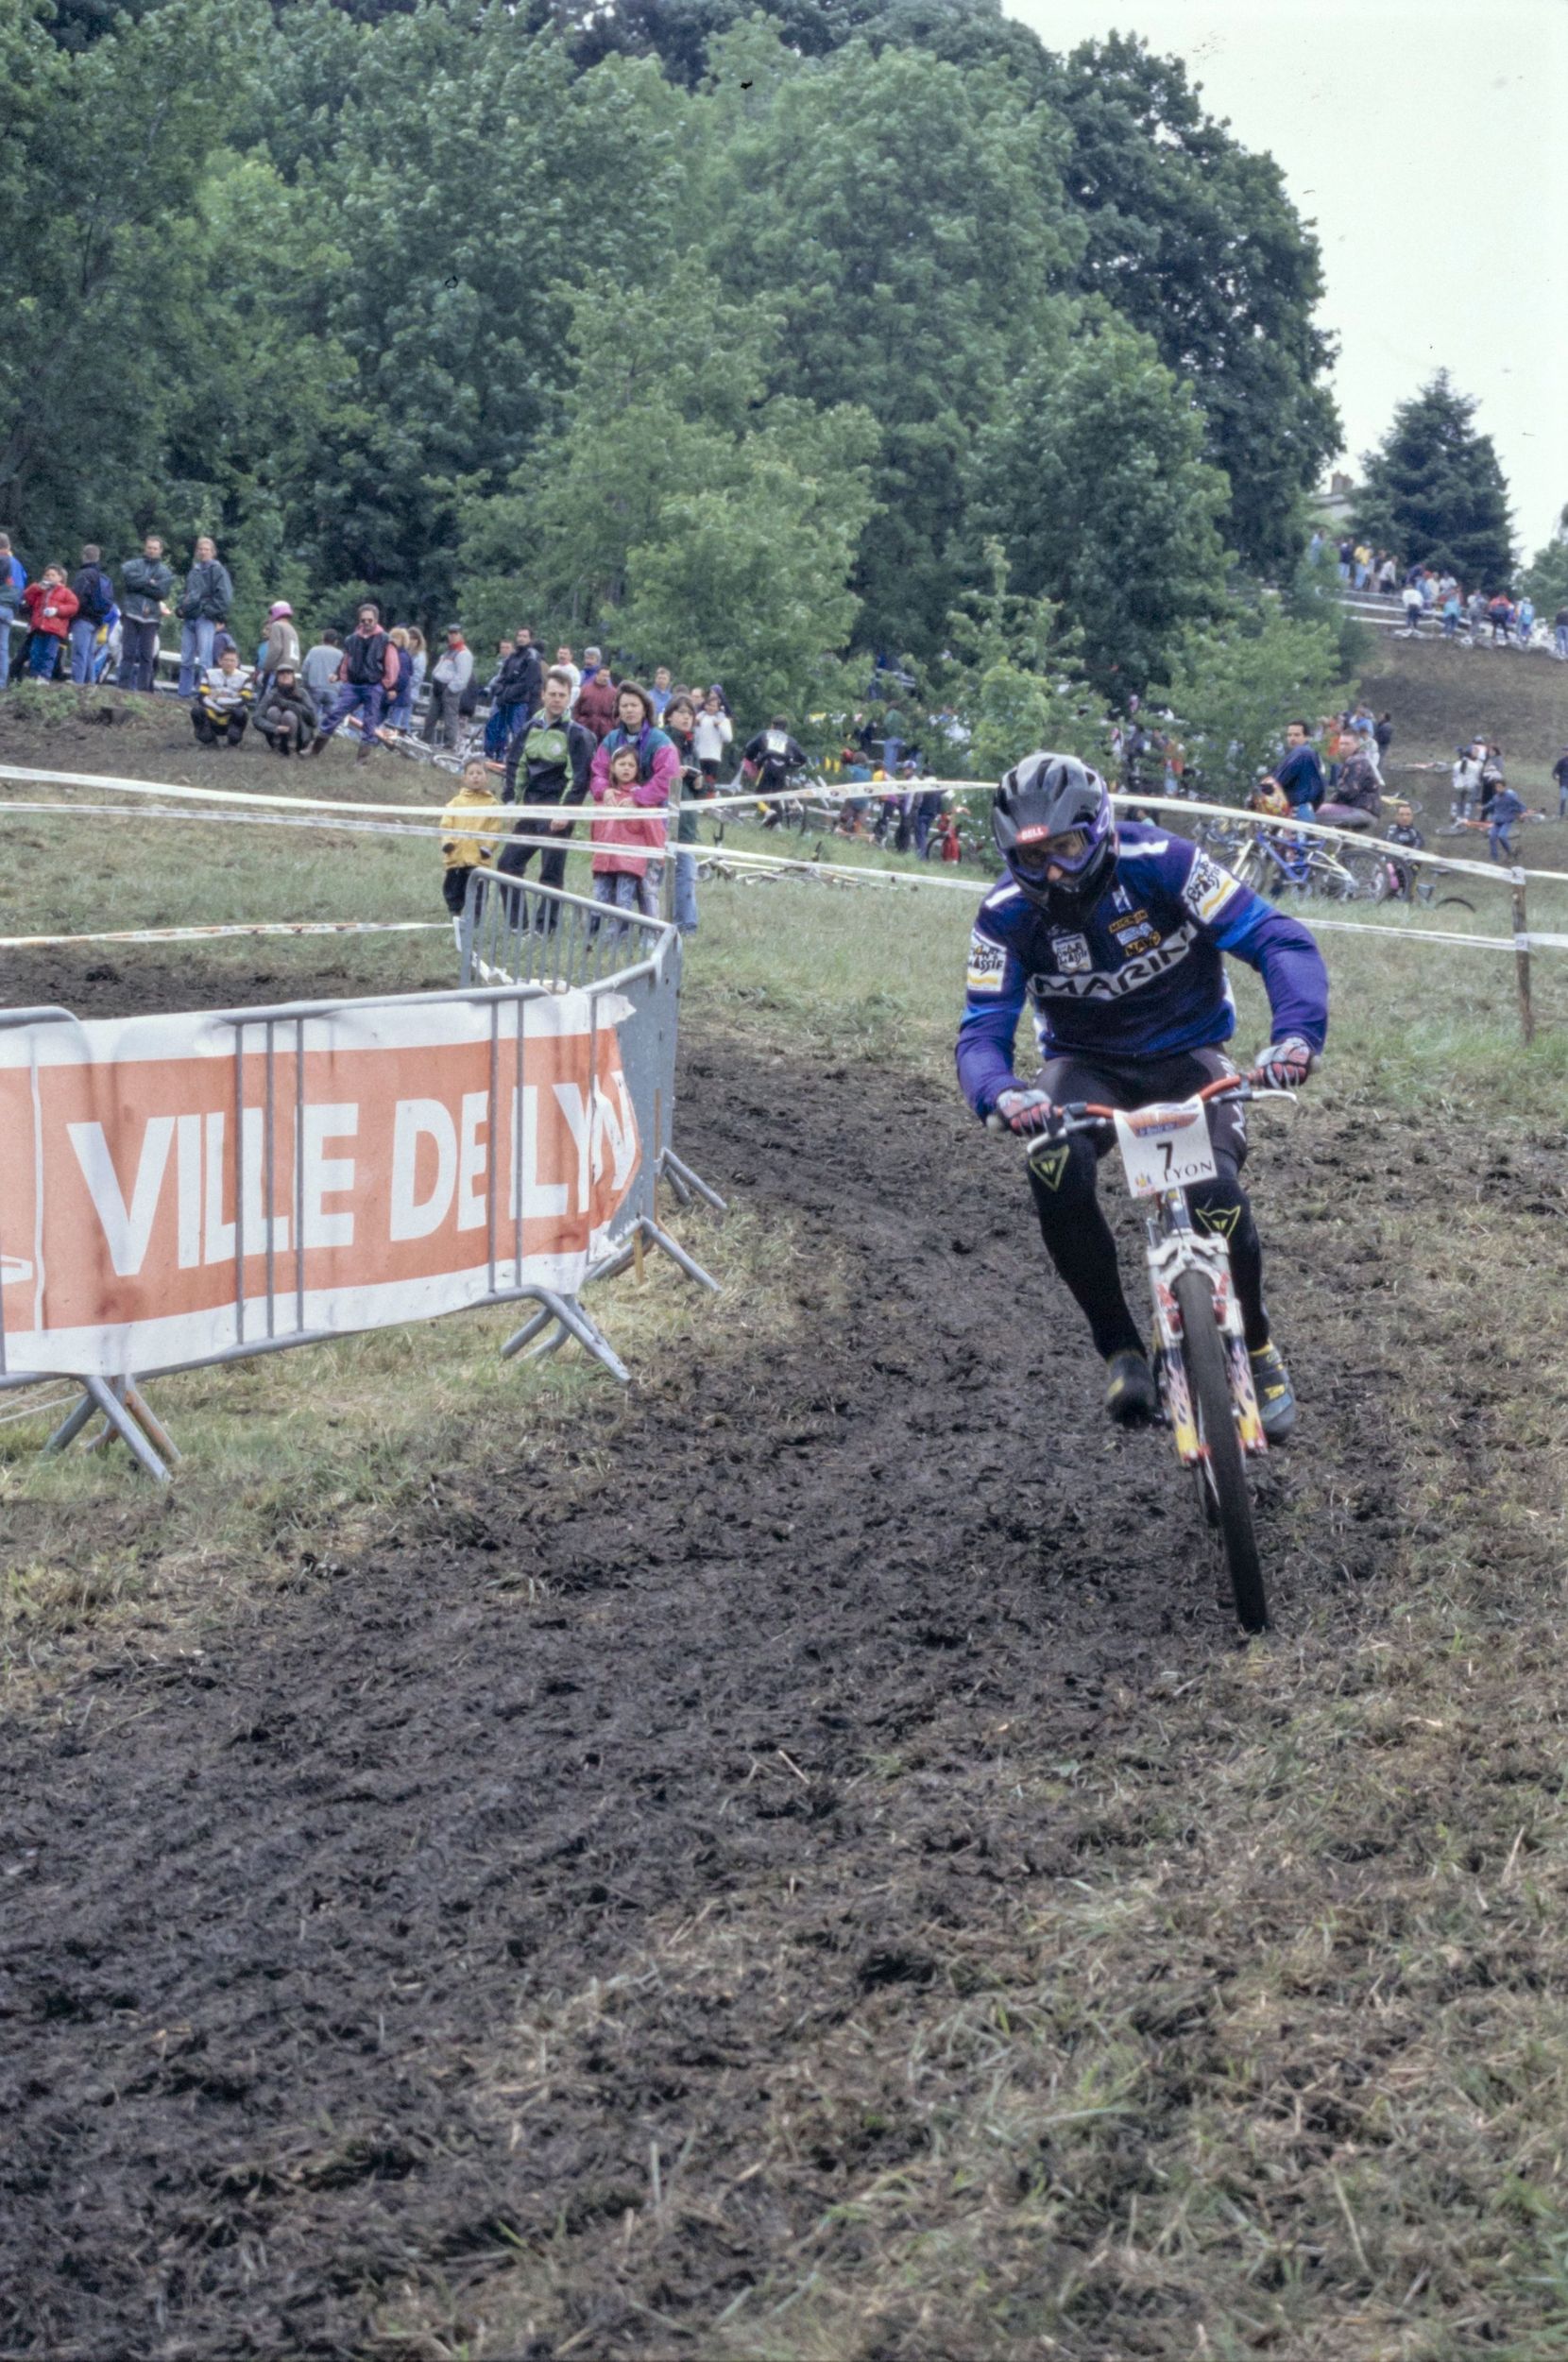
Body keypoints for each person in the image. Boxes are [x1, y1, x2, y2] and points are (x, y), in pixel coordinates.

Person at [956, 752, 1327, 1436]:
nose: (1055, 873)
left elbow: (1278, 939)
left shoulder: (1166, 861)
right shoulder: (1004, 916)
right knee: (1053, 1161)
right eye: (1032, 860)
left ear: (1099, 829)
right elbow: (981, 1032)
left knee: (1215, 1192)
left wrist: (1296, 1038)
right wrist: (1001, 1093)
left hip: (1190, 1058)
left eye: (1067, 849)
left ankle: (1260, 1344)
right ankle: (1121, 1350)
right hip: (1085, 1068)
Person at [498, 664, 594, 902]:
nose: (556, 700)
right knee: (507, 865)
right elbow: (515, 766)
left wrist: (564, 812)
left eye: (562, 695)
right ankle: (517, 925)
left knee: (550, 874)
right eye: (552, 694)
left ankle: (546, 928)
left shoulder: (577, 734)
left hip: (558, 808)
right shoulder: (529, 728)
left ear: (569, 698)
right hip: (531, 807)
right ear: (543, 695)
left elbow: (580, 778)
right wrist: (510, 799)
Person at [589, 681, 676, 916]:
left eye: (634, 705)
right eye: (624, 705)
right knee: (616, 880)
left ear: (644, 708)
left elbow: (668, 776)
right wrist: (603, 789)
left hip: (650, 821)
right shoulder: (611, 740)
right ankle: (615, 931)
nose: (629, 710)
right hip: (617, 823)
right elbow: (598, 770)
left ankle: (652, 933)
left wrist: (639, 797)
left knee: (647, 884)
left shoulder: (660, 741)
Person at [590, 742, 661, 935]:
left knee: (624, 899)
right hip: (604, 857)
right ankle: (593, 933)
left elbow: (653, 826)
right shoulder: (604, 797)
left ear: (637, 769)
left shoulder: (641, 798)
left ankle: (619, 934)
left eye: (631, 765)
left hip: (630, 860)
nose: (626, 768)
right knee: (598, 897)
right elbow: (595, 828)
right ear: (612, 767)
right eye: (622, 764)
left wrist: (659, 853)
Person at [312, 602, 399, 761]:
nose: (366, 623)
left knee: (369, 722)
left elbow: (392, 666)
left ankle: (362, 760)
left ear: (376, 620)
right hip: (353, 685)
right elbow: (346, 660)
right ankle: (314, 751)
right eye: (363, 620)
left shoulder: (386, 640)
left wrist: (385, 685)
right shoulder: (351, 639)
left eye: (369, 620)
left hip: (373, 686)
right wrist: (338, 675)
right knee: (335, 713)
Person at [439, 757, 508, 935]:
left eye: (479, 773)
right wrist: (448, 843)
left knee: (478, 893)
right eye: (471, 773)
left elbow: (494, 830)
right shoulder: (455, 803)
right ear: (464, 778)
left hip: (478, 859)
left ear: (486, 777)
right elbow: (446, 825)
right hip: (456, 857)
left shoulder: (492, 804)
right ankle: (454, 915)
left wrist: (488, 847)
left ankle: (474, 923)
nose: (475, 777)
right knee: (453, 889)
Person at [662, 691, 702, 933]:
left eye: (690, 713)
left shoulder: (690, 744)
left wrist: (699, 783)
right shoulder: (662, 742)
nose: (686, 718)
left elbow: (702, 786)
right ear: (669, 716)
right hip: (663, 816)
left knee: (686, 872)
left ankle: (685, 924)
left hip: (687, 818)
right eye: (681, 713)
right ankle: (683, 924)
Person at [176, 536, 233, 698]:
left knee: (204, 659)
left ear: (213, 552)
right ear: (196, 551)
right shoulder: (193, 571)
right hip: (189, 618)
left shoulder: (218, 570)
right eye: (200, 549)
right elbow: (186, 593)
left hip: (205, 619)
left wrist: (207, 610)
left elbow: (225, 598)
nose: (203, 552)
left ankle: (203, 693)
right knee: (186, 658)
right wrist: (180, 607)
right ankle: (183, 693)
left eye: (206, 549)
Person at [116, 534, 172, 692]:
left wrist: (140, 584)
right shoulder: (132, 565)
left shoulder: (165, 572)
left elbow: (161, 592)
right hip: (131, 613)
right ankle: (122, 687)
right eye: (149, 547)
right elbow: (128, 582)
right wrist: (149, 582)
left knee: (147, 655)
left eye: (155, 548)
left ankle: (143, 690)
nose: (151, 551)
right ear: (144, 548)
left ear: (160, 550)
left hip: (152, 617)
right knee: (127, 652)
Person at [486, 630, 542, 754]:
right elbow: (502, 677)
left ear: (530, 639)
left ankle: (516, 761)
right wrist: (498, 689)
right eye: (519, 636)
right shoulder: (513, 656)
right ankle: (495, 756)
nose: (521, 638)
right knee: (496, 728)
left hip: (521, 702)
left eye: (524, 636)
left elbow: (527, 684)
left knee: (518, 733)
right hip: (504, 700)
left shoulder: (532, 658)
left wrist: (506, 693)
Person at [745, 716, 807, 825]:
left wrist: (753, 759)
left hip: (767, 765)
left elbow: (749, 747)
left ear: (772, 725)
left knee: (756, 798)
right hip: (781, 770)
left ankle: (768, 812)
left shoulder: (765, 733)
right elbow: (803, 758)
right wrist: (791, 764)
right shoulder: (790, 740)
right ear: (785, 728)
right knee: (776, 797)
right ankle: (776, 825)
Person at [67, 545, 114, 683]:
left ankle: (77, 683)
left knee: (79, 653)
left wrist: (72, 615)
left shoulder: (85, 574)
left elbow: (77, 597)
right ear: (98, 557)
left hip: (83, 618)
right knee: (88, 654)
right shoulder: (101, 576)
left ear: (83, 556)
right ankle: (89, 684)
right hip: (97, 620)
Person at [20, 565, 77, 677]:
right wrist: (37, 587)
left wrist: (57, 610)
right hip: (38, 627)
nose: (49, 577)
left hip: (54, 629)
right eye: (47, 575)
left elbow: (73, 607)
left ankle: (44, 678)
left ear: (60, 578)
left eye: (53, 575)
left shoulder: (66, 592)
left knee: (49, 655)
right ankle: (33, 678)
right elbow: (27, 597)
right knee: (35, 653)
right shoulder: (40, 591)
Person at [190, 645, 254, 745]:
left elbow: (244, 700)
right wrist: (229, 700)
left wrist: (217, 699)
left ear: (237, 662)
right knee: (197, 711)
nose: (229, 663)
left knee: (241, 712)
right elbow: (201, 697)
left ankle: (233, 741)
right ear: (220, 661)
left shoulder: (245, 678)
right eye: (226, 660)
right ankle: (209, 740)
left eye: (232, 660)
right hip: (212, 714)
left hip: (231, 715)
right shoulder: (209, 674)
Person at [424, 624, 473, 751]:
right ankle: (425, 740)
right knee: (431, 716)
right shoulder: (449, 651)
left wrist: (450, 689)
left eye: (455, 633)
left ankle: (449, 745)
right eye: (450, 633)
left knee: (450, 717)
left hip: (450, 689)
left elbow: (463, 677)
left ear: (461, 635)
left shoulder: (464, 653)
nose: (452, 636)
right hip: (438, 687)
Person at [253, 662, 318, 757]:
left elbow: (314, 720)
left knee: (288, 715)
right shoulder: (271, 695)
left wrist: (289, 705)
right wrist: (274, 728)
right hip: (276, 736)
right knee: (273, 711)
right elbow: (256, 718)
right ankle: (277, 747)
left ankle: (292, 748)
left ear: (293, 676)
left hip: (301, 738)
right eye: (282, 673)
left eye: (288, 673)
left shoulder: (302, 693)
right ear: (277, 677)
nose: (285, 675)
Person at [1273, 720, 1324, 822]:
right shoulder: (1311, 754)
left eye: (1297, 735)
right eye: (1289, 735)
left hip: (1296, 811)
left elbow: (1278, 782)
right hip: (1308, 810)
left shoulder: (1302, 753)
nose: (1292, 738)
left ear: (1306, 737)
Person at [0, 533, 26, 687]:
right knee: (3, 648)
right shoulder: (17, 564)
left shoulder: (2, 560)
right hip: (10, 610)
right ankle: (2, 684)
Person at [573, 655, 620, 742]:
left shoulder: (614, 693)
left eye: (607, 676)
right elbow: (576, 708)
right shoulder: (585, 689)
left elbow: (617, 714)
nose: (605, 678)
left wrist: (611, 726)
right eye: (603, 675)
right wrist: (580, 722)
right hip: (586, 729)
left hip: (605, 732)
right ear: (597, 675)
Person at [692, 686, 733, 784]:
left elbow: (728, 738)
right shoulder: (699, 718)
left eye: (713, 706)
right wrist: (696, 725)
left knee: (710, 785)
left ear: (718, 707)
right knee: (697, 783)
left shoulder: (723, 720)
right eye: (708, 705)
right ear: (705, 705)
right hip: (699, 756)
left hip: (713, 757)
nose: (710, 708)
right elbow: (694, 736)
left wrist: (719, 726)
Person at [1385, 801, 1424, 899]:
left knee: (1412, 872)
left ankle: (1407, 899)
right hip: (1388, 868)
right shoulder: (1389, 831)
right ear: (1396, 816)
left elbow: (1417, 851)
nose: (1404, 817)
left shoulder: (1416, 834)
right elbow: (1379, 850)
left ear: (1412, 817)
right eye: (1401, 814)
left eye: (1408, 815)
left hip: (1408, 869)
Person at [300, 627, 341, 715]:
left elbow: (305, 669)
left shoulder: (314, 650)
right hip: (333, 690)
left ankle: (314, 728)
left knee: (313, 717)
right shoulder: (340, 654)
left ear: (323, 639)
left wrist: (305, 684)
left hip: (315, 688)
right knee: (330, 719)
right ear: (336, 641)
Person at [384, 626, 417, 730]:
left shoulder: (402, 656)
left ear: (403, 641)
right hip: (396, 695)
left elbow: (403, 678)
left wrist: (394, 689)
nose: (393, 640)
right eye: (392, 637)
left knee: (393, 726)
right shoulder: (394, 653)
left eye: (397, 638)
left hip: (399, 696)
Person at [1553, 746, 1568, 820]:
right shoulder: (1561, 761)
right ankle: (1561, 814)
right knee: (1563, 798)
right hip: (1564, 782)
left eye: (1567, 750)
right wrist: (1556, 776)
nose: (1566, 752)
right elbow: (1555, 771)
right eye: (1565, 751)